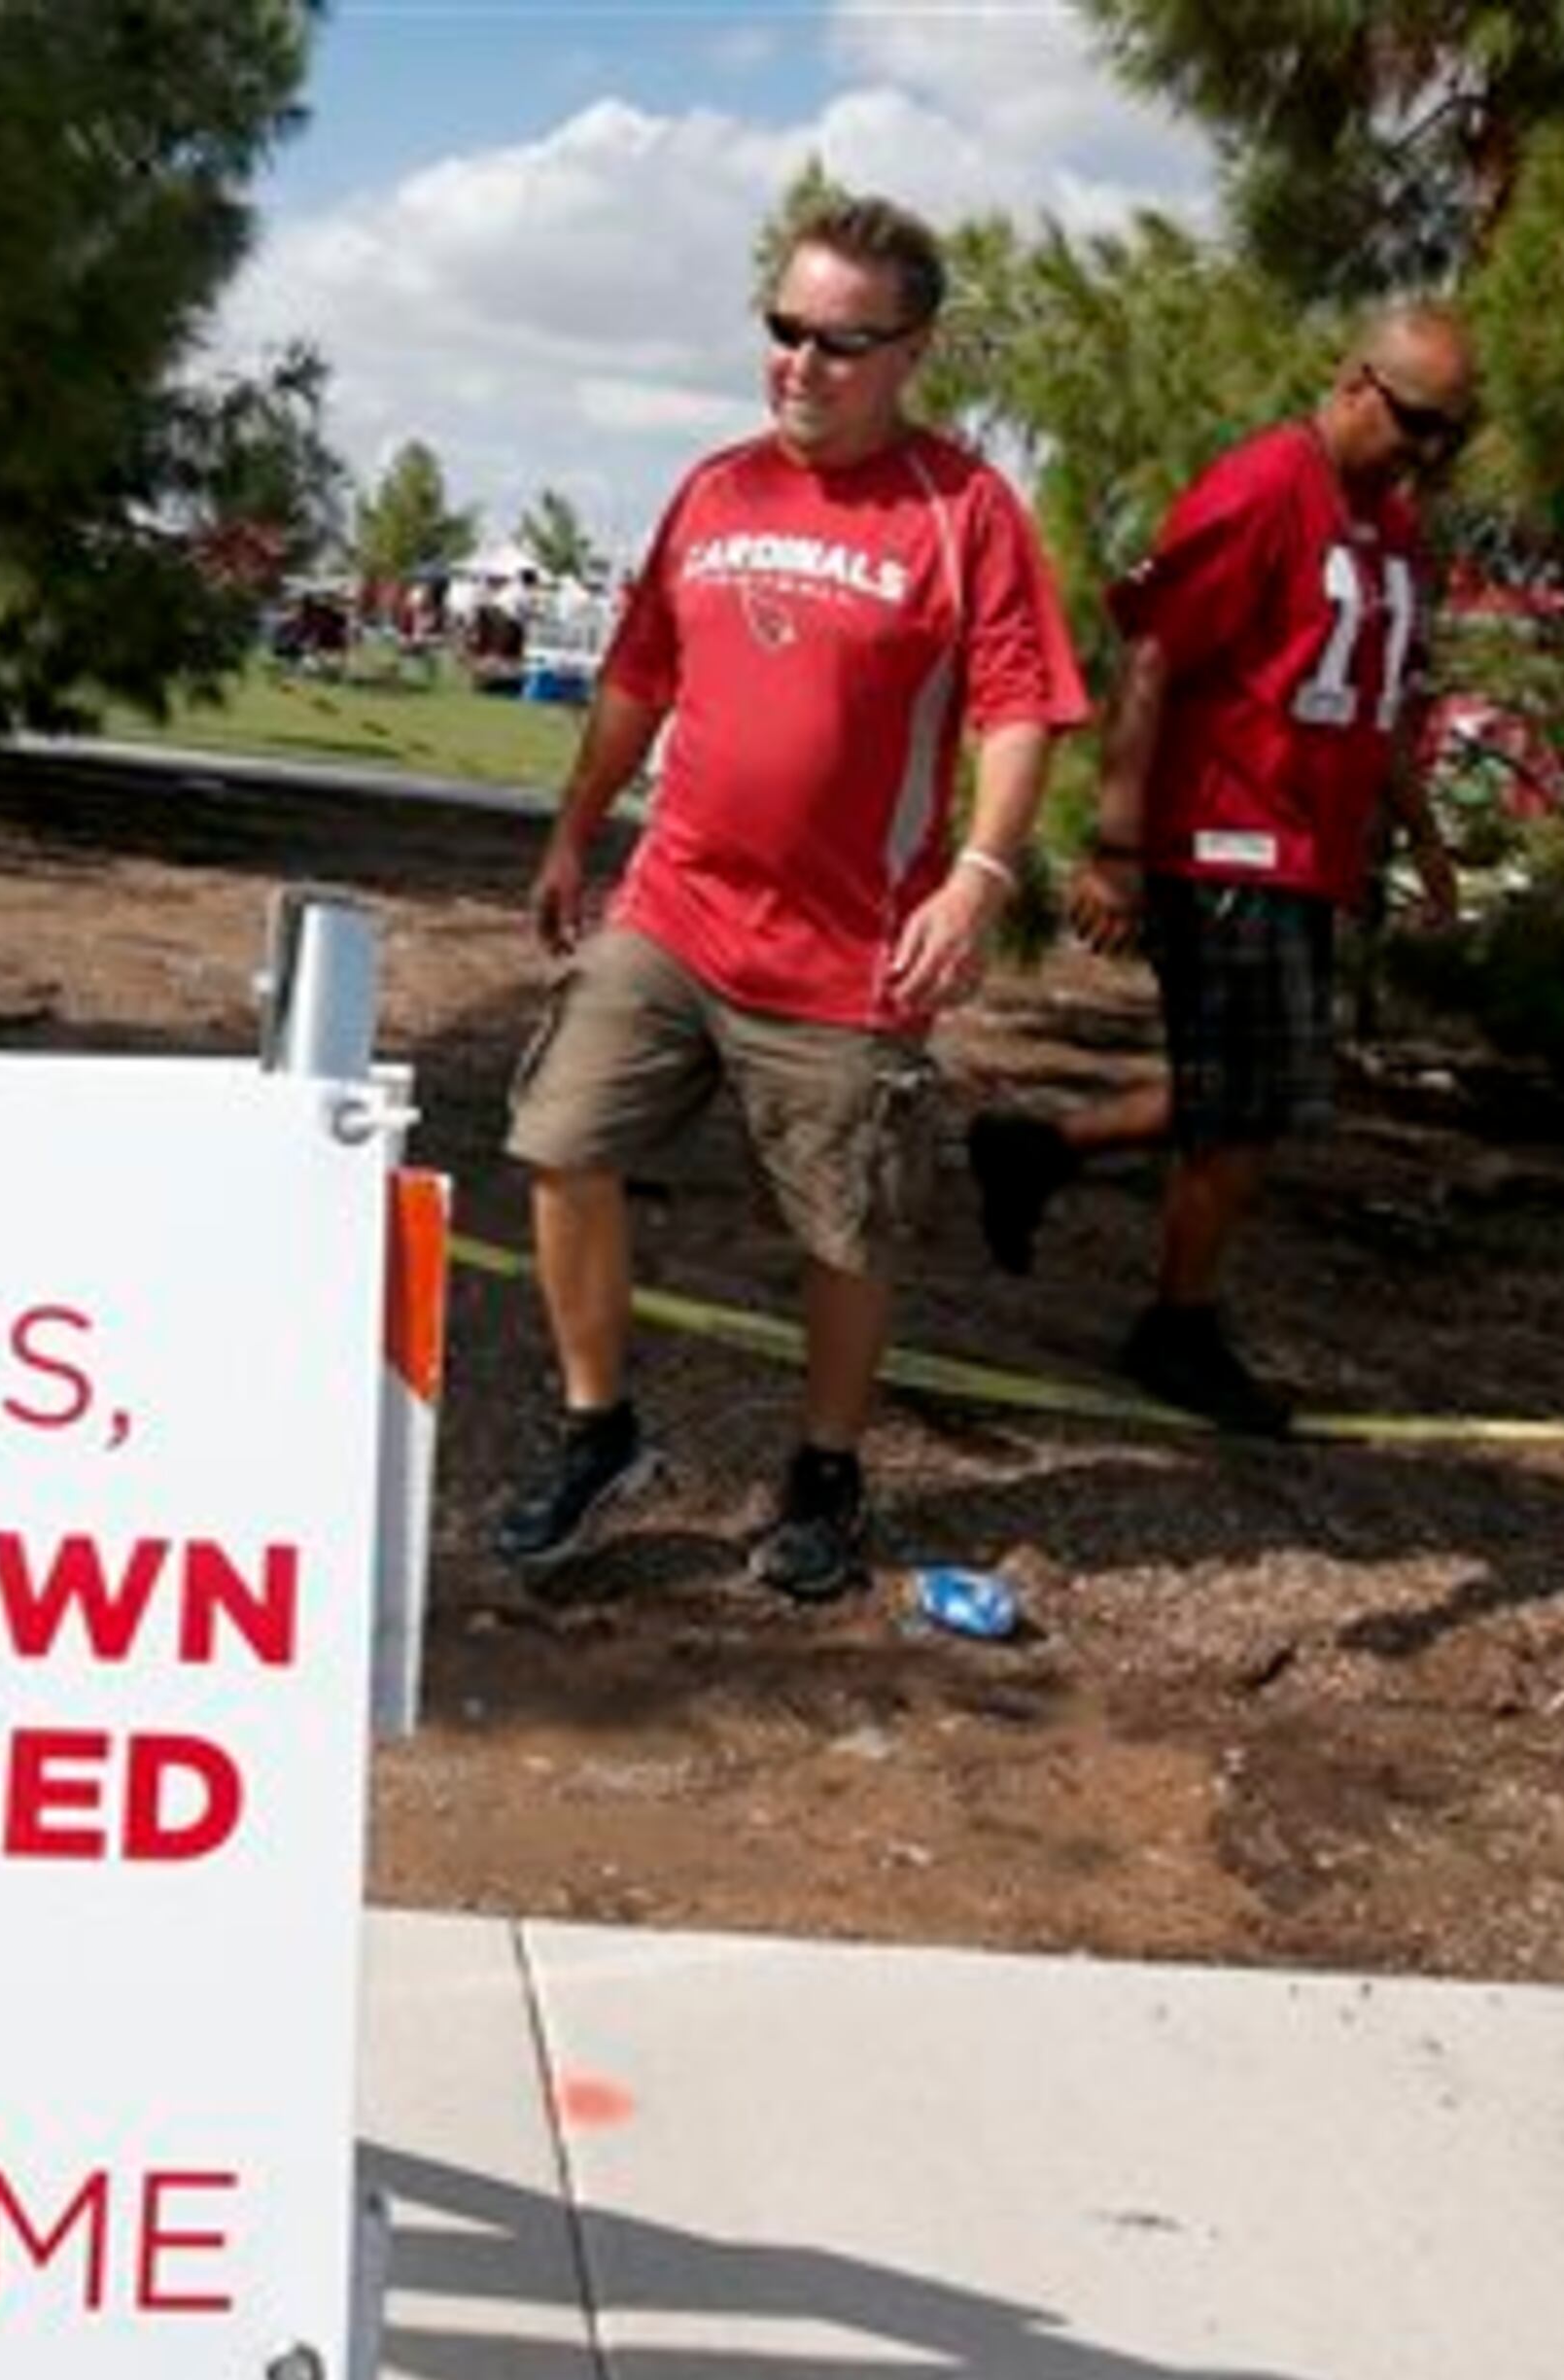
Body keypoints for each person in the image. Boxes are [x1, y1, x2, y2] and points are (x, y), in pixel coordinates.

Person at [490, 194, 1090, 1595]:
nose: (801, 365)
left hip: (848, 950)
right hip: (673, 907)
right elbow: (641, 676)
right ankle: (599, 1433)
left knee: (845, 1227)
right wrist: (575, 832)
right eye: (783, 330)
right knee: (562, 1139)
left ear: (912, 351)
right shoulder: (712, 489)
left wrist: (983, 877)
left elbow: (1019, 708)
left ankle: (825, 1471)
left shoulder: (966, 513)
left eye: (841, 342)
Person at [965, 304, 1478, 1435]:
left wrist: (1431, 847)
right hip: (1226, 841)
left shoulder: (1391, 531)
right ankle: (1177, 1327)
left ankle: (1038, 1148)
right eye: (1418, 423)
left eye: (1454, 434)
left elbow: (1384, 708)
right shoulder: (1259, 487)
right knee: (1245, 1109)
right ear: (1355, 383)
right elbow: (1152, 660)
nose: (1431, 452)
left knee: (1257, 1094)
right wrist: (1116, 843)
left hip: (1309, 855)